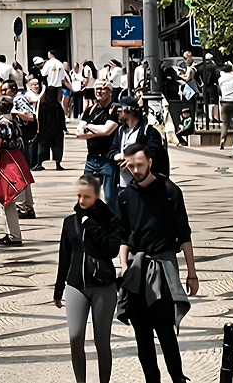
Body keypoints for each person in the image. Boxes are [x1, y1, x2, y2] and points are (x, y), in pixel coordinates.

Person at [116, 143, 198, 383]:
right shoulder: (125, 196)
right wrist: (124, 266)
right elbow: (125, 236)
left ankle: (177, 378)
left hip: (163, 268)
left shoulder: (170, 191)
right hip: (137, 271)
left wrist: (192, 273)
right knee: (141, 335)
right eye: (131, 166)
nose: (135, 170)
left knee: (165, 331)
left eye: (140, 165)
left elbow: (184, 234)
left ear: (150, 162)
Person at [53, 174, 122, 383]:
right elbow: (64, 256)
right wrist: (58, 288)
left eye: (87, 197)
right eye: (79, 196)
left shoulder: (110, 220)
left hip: (103, 286)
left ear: (97, 196)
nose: (82, 201)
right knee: (75, 338)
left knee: (102, 340)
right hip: (76, 286)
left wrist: (93, 227)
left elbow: (112, 250)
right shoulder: (70, 222)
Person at [0, 96, 34, 247]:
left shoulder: (0, 125)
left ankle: (14, 234)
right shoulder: (14, 121)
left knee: (5, 200)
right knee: (8, 200)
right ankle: (13, 233)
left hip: (6, 162)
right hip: (17, 158)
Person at [77, 84, 120, 207]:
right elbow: (79, 133)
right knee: (86, 193)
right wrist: (97, 132)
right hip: (91, 159)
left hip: (108, 160)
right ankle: (87, 217)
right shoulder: (90, 110)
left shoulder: (115, 109)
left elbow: (107, 130)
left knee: (110, 197)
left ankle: (114, 219)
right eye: (97, 89)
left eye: (103, 88)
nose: (99, 91)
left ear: (111, 92)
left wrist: (89, 127)